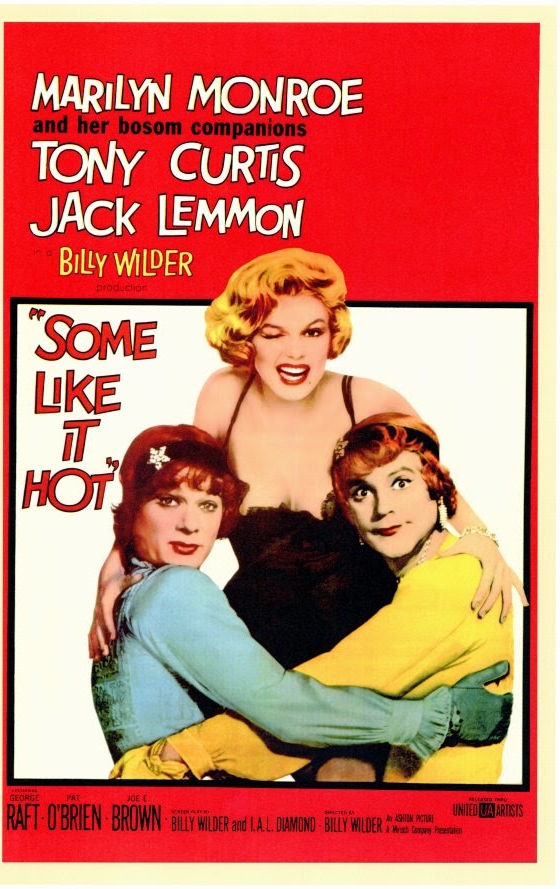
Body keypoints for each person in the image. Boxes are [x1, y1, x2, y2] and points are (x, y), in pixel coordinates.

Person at [90, 248, 525, 667]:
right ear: (247, 337)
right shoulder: (225, 395)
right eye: (273, 334)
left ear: (332, 334)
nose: (295, 353)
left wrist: (482, 541)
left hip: (368, 637)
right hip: (255, 636)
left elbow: (440, 493)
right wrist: (114, 568)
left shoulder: (369, 400)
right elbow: (177, 489)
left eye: (312, 332)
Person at [109, 414, 514, 784]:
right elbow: (294, 709)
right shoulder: (172, 587)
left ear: (436, 487)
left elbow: (307, 703)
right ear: (347, 511)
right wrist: (430, 719)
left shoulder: (453, 578)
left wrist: (177, 754)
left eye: (401, 482)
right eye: (361, 491)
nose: (384, 508)